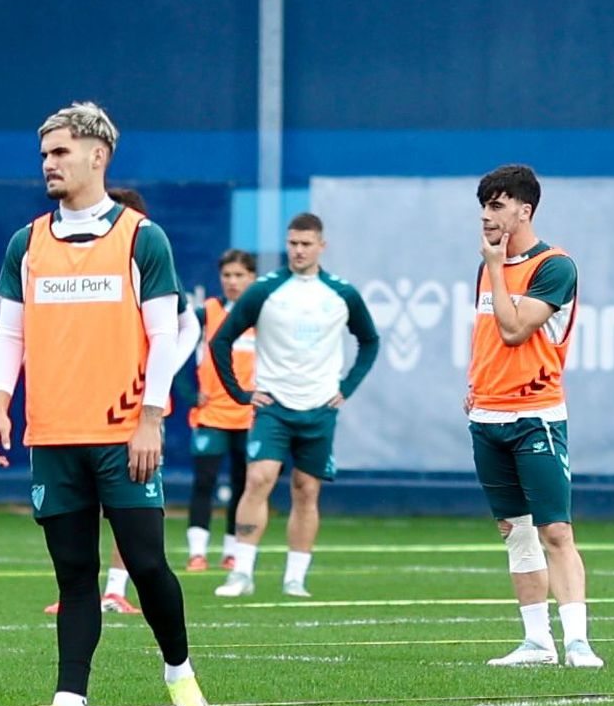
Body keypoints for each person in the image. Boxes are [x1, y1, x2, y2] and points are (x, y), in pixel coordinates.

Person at [0, 102, 213, 706]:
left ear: (97, 155)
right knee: (75, 574)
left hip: (122, 435)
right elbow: (10, 333)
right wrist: (1, 401)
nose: (49, 165)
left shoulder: (142, 237)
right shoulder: (26, 243)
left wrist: (151, 417)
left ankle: (181, 674)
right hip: (53, 436)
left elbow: (165, 334)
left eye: (60, 152)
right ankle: (69, 705)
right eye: (44, 155)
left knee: (146, 565)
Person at [40, 187, 201, 616]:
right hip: (83, 407)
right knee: (82, 499)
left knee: (129, 509)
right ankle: (81, 591)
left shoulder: (147, 255)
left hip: (136, 407)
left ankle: (115, 588)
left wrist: (156, 378)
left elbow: (187, 327)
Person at [465, 165, 602, 669]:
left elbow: (514, 329)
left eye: (497, 205)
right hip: (488, 414)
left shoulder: (555, 266)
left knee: (556, 531)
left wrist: (497, 269)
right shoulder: (488, 265)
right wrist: (475, 383)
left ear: (525, 210)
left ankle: (578, 642)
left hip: (535, 415)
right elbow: (484, 334)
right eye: (483, 205)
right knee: (514, 530)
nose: (486, 215)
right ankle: (536, 642)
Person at [211, 213, 379, 598]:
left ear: (322, 246)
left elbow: (369, 340)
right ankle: (242, 572)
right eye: (292, 243)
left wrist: (347, 387)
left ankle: (295, 577)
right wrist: (241, 393)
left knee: (306, 489)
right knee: (258, 479)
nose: (298, 250)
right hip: (273, 405)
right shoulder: (264, 290)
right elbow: (221, 340)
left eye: (306, 244)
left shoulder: (341, 293)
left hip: (320, 407)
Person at [183, 249, 258, 573]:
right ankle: (197, 552)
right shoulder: (207, 313)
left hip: (250, 416)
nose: (233, 281)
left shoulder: (261, 317)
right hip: (211, 414)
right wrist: (189, 393)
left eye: (240, 275)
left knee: (243, 485)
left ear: (252, 278)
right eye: (227, 275)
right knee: (204, 482)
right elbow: (169, 348)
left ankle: (232, 552)